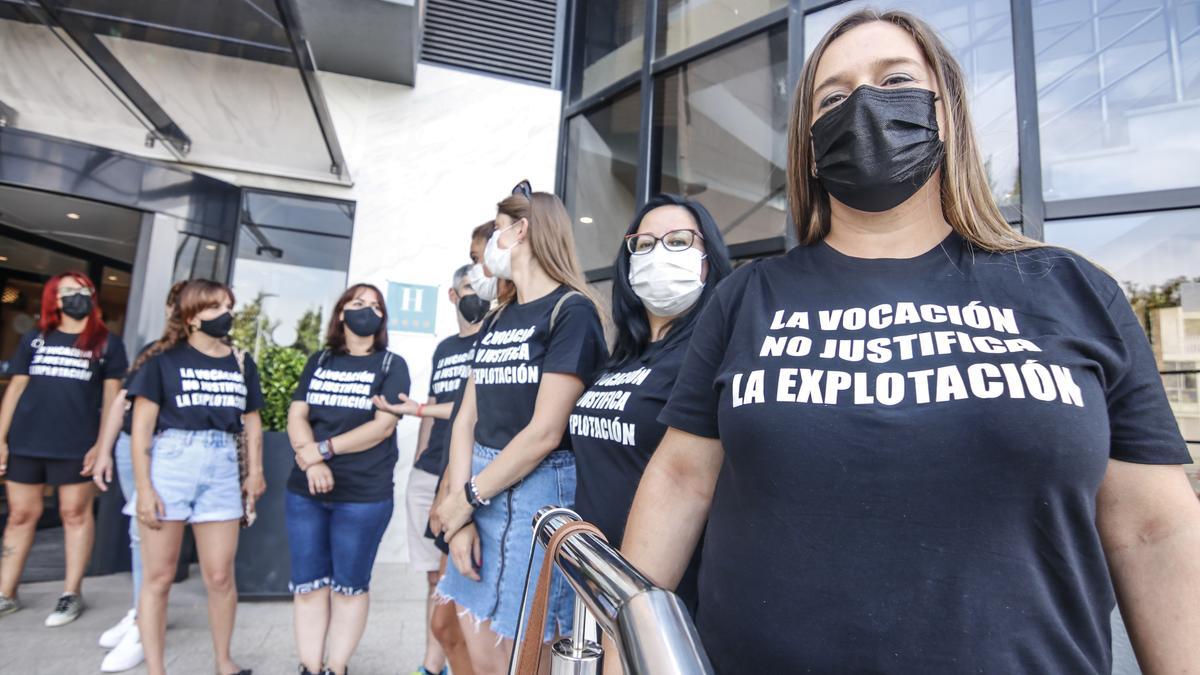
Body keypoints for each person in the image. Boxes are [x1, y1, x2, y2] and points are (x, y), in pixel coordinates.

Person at [619, 9, 1200, 673]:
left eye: (894, 79)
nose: (863, 104)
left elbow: (1155, 529)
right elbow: (682, 478)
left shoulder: (1071, 290)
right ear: (809, 139)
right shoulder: (747, 298)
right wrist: (623, 639)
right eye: (832, 96)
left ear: (945, 111)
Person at [435, 182, 607, 675]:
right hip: (482, 486)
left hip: (535, 489)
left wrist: (465, 498)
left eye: (496, 230)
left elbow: (545, 432)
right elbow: (466, 416)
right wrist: (463, 513)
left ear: (521, 230)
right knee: (460, 634)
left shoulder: (572, 312)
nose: (490, 244)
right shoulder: (499, 314)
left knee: (511, 657)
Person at [569, 194, 731, 618]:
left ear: (707, 258)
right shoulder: (622, 355)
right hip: (596, 576)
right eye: (643, 244)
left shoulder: (713, 356)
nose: (658, 253)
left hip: (664, 590)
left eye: (678, 241)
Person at [125, 279, 266, 675]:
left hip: (222, 463)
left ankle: (224, 662)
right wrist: (144, 489)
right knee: (159, 576)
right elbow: (141, 431)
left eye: (228, 305)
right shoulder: (161, 360)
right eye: (215, 306)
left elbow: (252, 422)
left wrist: (255, 471)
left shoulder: (240, 361)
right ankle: (156, 669)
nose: (226, 313)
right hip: (172, 462)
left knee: (220, 575)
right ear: (190, 316)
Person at [284, 283, 411, 675]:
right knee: (309, 584)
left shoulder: (392, 365)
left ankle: (335, 667)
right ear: (341, 313)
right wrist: (312, 463)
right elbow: (297, 416)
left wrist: (324, 451)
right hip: (305, 492)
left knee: (349, 586)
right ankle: (310, 665)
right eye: (358, 303)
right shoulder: (320, 360)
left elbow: (382, 427)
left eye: (375, 306)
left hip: (363, 496)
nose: (367, 311)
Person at [0, 271, 128, 625]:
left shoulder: (107, 344)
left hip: (76, 445)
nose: (77, 296)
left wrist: (102, 445)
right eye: (69, 291)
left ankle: (71, 593)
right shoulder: (35, 339)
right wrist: (1, 440)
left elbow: (111, 397)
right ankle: (6, 592)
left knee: (75, 514)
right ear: (54, 299)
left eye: (84, 290)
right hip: (26, 442)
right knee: (20, 515)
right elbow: (15, 389)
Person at [385, 264, 487, 675]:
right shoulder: (445, 347)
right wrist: (419, 460)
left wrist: (420, 409)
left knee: (455, 578)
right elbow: (430, 403)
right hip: (429, 472)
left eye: (478, 287)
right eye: (466, 288)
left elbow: (470, 408)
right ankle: (435, 663)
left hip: (463, 473)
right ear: (452, 295)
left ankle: (450, 663)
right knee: (433, 580)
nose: (473, 294)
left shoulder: (493, 337)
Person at [90, 280, 187, 672]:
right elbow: (121, 403)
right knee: (138, 536)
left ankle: (143, 623)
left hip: (168, 455)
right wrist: (103, 449)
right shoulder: (154, 352)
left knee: (148, 536)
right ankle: (139, 613)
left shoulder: (205, 355)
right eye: (175, 305)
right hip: (132, 450)